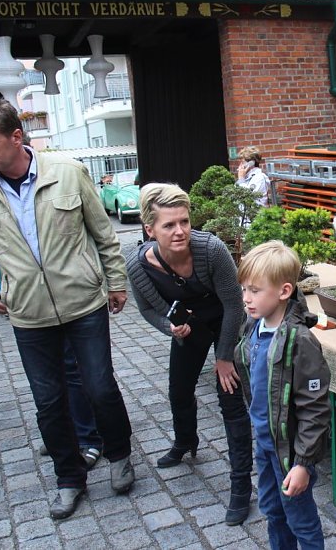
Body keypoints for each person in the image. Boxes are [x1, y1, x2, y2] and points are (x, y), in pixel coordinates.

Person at [0, 99, 134, 520]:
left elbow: (105, 236)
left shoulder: (68, 173)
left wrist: (116, 282)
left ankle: (119, 455)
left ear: (16, 137)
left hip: (83, 302)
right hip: (28, 315)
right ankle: (69, 478)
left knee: (99, 386)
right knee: (48, 401)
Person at [125, 183, 253, 526]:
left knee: (230, 398)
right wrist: (170, 327)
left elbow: (234, 305)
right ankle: (186, 441)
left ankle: (241, 485)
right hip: (190, 328)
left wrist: (224, 358)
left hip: (227, 322)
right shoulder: (139, 266)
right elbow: (148, 311)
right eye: (169, 225)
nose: (180, 231)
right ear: (150, 230)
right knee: (179, 392)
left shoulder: (211, 250)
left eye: (184, 221)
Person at [235, 240, 331, 550]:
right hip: (265, 446)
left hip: (289, 453)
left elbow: (315, 408)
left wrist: (302, 463)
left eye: (255, 290)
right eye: (244, 290)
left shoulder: (300, 341)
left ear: (284, 291)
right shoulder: (253, 327)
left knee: (300, 520)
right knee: (273, 512)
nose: (246, 299)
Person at [0, 267, 103, 469]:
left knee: (71, 367)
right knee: (46, 376)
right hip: (23, 298)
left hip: (61, 295)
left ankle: (87, 436)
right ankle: (64, 435)